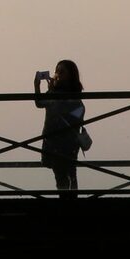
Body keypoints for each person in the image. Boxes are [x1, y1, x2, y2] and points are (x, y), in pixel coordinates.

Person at [34, 60, 85, 197]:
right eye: (57, 71)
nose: (57, 75)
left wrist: (51, 91)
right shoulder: (55, 93)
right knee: (63, 174)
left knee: (68, 174)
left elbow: (65, 110)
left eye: (62, 72)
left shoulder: (71, 96)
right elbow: (40, 103)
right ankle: (68, 202)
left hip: (65, 142)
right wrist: (38, 86)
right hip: (56, 141)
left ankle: (67, 203)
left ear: (71, 76)